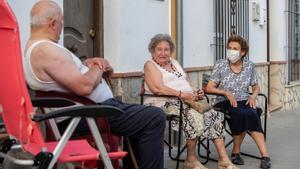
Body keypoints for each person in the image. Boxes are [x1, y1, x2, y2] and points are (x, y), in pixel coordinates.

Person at [23, 1, 165, 169]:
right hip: (87, 115)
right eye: (62, 20)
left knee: (141, 119)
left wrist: (86, 64)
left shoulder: (38, 49)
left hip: (88, 111)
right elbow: (84, 86)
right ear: (53, 23)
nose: (63, 24)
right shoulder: (45, 50)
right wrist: (100, 65)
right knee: (154, 117)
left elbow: (67, 75)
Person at [143, 34, 238, 169]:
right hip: (162, 102)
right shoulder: (150, 65)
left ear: (171, 51)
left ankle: (224, 160)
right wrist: (182, 94)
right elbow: (157, 88)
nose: (163, 53)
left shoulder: (174, 63)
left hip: (185, 101)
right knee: (192, 114)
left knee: (213, 114)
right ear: (153, 50)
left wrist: (195, 91)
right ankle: (191, 160)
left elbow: (185, 82)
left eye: (167, 49)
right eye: (159, 49)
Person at [206, 35, 271, 169]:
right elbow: (209, 87)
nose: (231, 51)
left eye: (235, 48)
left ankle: (265, 156)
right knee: (240, 113)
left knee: (252, 113)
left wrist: (253, 96)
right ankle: (236, 152)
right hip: (224, 101)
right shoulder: (221, 64)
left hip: (244, 99)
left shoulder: (249, 66)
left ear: (243, 52)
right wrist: (225, 92)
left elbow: (256, 86)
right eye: (229, 48)